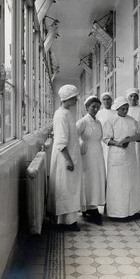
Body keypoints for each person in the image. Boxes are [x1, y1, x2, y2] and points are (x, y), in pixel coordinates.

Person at [47, 84, 84, 231]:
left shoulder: (66, 113)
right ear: (67, 98)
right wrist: (68, 160)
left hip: (70, 156)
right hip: (65, 158)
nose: (76, 100)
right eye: (74, 98)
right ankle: (64, 222)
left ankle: (70, 221)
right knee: (65, 188)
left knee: (70, 188)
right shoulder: (62, 115)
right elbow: (61, 142)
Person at [103, 96, 140, 219]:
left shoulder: (132, 120)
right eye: (123, 109)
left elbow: (138, 136)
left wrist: (137, 138)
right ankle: (116, 212)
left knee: (130, 182)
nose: (125, 111)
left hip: (130, 155)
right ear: (117, 109)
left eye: (126, 109)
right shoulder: (111, 120)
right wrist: (119, 144)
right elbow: (105, 139)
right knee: (117, 183)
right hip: (116, 156)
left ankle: (132, 211)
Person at [76, 95, 106, 225]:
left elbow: (100, 137)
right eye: (93, 107)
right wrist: (80, 146)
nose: (95, 109)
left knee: (97, 178)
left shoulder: (98, 122)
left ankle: (93, 205)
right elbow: (74, 137)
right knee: (88, 179)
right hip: (86, 154)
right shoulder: (82, 122)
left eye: (97, 107)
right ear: (87, 107)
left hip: (98, 152)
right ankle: (87, 207)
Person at [96, 92, 116, 173]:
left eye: (108, 99)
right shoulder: (98, 113)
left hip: (113, 141)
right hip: (101, 142)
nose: (106, 101)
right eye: (104, 99)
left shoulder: (116, 113)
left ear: (111, 100)